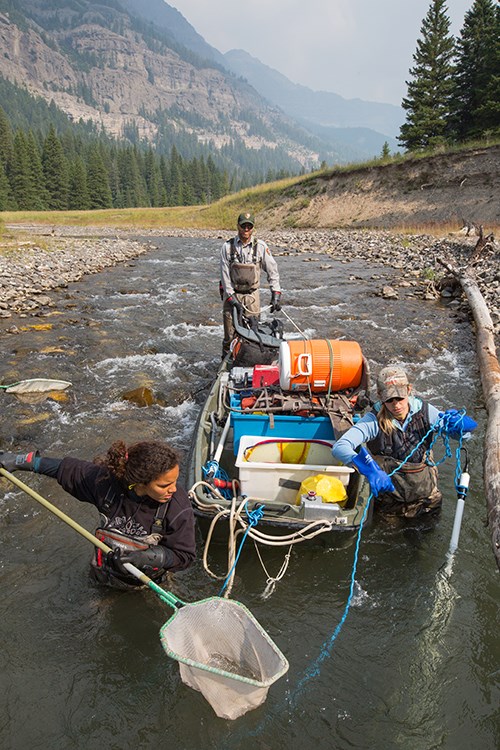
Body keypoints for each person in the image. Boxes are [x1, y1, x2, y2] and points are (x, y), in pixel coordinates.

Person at [0, 440, 196, 589]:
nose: (173, 489)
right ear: (141, 482)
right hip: (104, 574)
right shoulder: (106, 483)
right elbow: (63, 468)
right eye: (164, 485)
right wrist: (17, 461)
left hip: (147, 583)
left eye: (175, 481)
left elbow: (184, 556)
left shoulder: (177, 506)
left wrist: (144, 558)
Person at [331, 365, 477, 519]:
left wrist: (459, 426)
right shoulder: (372, 421)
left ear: (409, 390)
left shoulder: (427, 412)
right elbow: (340, 447)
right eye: (390, 400)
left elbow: (464, 436)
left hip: (426, 501)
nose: (396, 405)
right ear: (380, 396)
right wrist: (370, 470)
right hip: (390, 503)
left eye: (400, 398)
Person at [220, 211, 282, 357]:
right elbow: (224, 276)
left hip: (252, 297)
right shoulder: (227, 247)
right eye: (243, 226)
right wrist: (232, 299)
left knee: (252, 333)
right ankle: (226, 363)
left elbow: (273, 271)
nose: (246, 229)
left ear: (253, 228)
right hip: (232, 296)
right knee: (229, 336)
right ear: (238, 227)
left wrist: (276, 293)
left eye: (249, 226)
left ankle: (249, 361)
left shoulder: (261, 247)